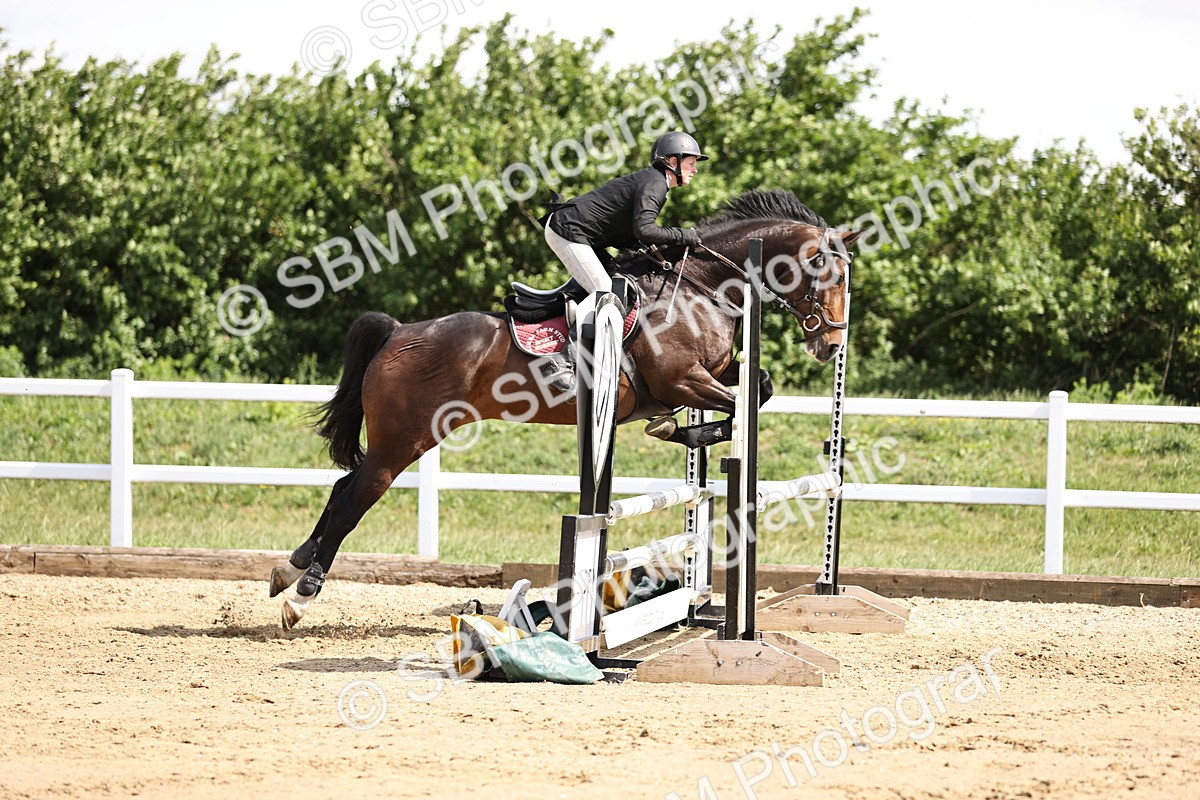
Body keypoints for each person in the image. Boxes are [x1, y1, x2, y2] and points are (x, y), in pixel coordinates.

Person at [540, 131, 708, 393]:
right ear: (672, 162)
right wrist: (684, 236)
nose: (695, 170)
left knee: (620, 284)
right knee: (605, 293)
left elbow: (631, 232)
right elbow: (645, 229)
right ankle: (561, 361)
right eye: (691, 163)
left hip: (584, 234)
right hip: (568, 229)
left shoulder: (653, 182)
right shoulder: (656, 184)